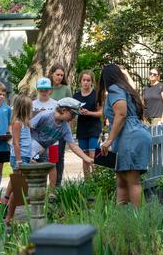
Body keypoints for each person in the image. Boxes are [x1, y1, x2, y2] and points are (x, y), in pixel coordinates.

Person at [97, 64, 151, 207]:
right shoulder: (126, 89)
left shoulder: (115, 89)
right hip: (131, 135)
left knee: (132, 181)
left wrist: (108, 141)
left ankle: (137, 219)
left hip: (129, 136)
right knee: (121, 180)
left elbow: (121, 114)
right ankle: (121, 216)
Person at [30, 97, 93, 167]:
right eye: (73, 114)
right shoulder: (44, 116)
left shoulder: (65, 128)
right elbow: (27, 128)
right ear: (63, 110)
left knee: (43, 171)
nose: (74, 117)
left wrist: (87, 158)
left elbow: (73, 146)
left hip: (44, 150)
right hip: (31, 146)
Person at [4, 94, 33, 225]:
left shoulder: (26, 122)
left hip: (25, 157)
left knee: (19, 189)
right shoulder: (17, 123)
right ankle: (9, 217)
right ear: (24, 108)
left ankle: (9, 214)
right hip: (18, 158)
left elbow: (26, 142)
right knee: (17, 189)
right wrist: (20, 161)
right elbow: (16, 143)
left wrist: (29, 158)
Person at [73, 70, 102, 177]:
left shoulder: (96, 95)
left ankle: (97, 181)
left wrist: (89, 113)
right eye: (84, 80)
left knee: (94, 156)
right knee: (84, 157)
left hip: (94, 128)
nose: (86, 82)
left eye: (88, 80)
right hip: (81, 129)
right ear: (80, 81)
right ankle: (88, 183)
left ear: (92, 82)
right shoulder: (76, 96)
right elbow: (72, 113)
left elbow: (101, 113)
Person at [32, 77, 59, 190]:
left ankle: (52, 192)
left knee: (52, 165)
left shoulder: (56, 104)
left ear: (50, 90)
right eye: (41, 89)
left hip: (53, 141)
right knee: (37, 165)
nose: (44, 92)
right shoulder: (32, 104)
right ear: (37, 90)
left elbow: (59, 124)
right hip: (36, 141)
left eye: (46, 89)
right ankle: (40, 191)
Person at [48, 63, 72, 186]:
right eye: (57, 74)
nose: (59, 77)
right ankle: (47, 185)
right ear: (52, 74)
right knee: (47, 157)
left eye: (62, 75)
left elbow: (71, 109)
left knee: (59, 157)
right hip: (47, 128)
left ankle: (57, 185)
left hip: (61, 127)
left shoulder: (66, 89)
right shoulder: (46, 88)